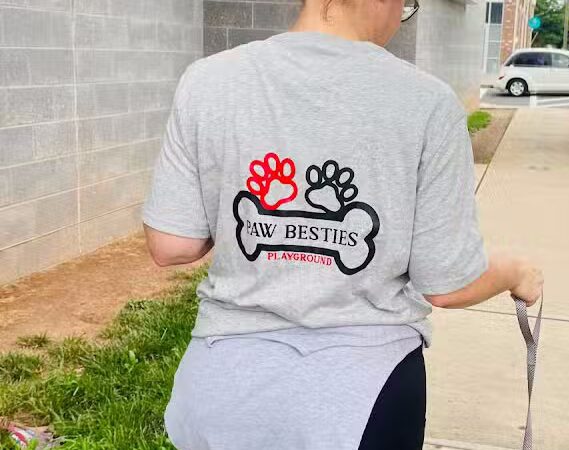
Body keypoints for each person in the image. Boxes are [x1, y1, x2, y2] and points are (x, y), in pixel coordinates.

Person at [142, 0, 543, 447]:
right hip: (364, 397)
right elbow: (447, 283)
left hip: (224, 389)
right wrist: (516, 270)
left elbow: (170, 244)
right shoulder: (426, 103)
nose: (402, 16)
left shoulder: (208, 81)